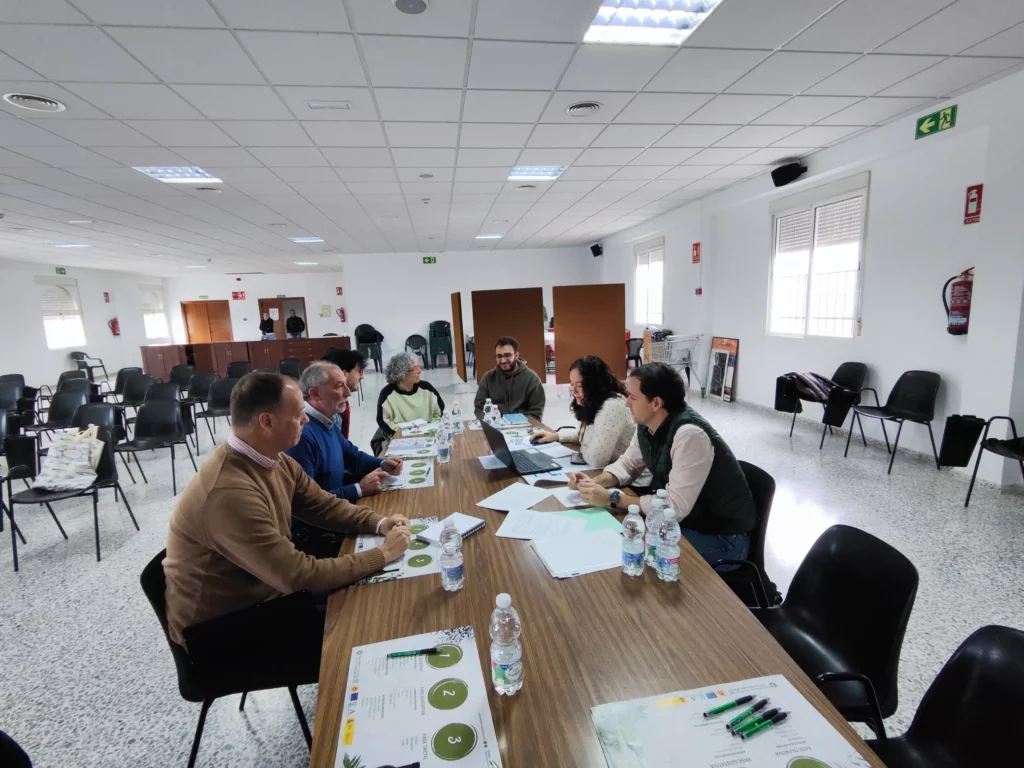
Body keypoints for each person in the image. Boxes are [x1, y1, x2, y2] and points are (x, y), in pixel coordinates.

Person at [163, 372, 411, 658]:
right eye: (297, 414)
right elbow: (297, 576)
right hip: (221, 633)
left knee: (373, 600)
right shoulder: (228, 493)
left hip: (264, 593)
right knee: (369, 623)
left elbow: (324, 505)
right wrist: (383, 554)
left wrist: (379, 522)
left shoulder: (273, 458)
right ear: (267, 422)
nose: (305, 419)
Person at [567, 362, 755, 564]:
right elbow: (628, 464)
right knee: (623, 541)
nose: (627, 403)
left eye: (632, 397)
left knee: (632, 553)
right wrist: (595, 483)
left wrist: (612, 499)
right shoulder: (647, 424)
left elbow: (675, 507)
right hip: (685, 522)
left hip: (723, 537)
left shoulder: (689, 436)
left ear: (655, 403)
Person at [287, 361, 402, 502]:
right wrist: (359, 489)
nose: (348, 393)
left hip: (340, 504)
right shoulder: (301, 435)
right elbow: (307, 501)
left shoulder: (328, 419)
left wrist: (382, 463)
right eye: (339, 386)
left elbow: (351, 456)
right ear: (315, 394)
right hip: (329, 513)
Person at [530, 356, 634, 467]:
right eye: (571, 384)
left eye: (579, 385)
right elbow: (582, 435)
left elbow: (597, 460)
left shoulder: (612, 406)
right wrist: (555, 436)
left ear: (595, 385)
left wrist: (584, 446)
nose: (573, 391)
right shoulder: (593, 401)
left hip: (628, 476)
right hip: (610, 470)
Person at [474, 336, 545, 420]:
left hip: (524, 425)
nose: (503, 360)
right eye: (499, 356)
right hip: (494, 424)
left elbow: (536, 413)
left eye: (507, 355)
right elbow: (479, 408)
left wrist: (515, 424)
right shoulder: (488, 378)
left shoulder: (532, 379)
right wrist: (490, 422)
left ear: (516, 355)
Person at [377, 351, 445, 438]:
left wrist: (430, 430)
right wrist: (404, 434)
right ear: (402, 373)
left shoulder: (427, 388)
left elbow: (439, 412)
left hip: (428, 435)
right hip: (401, 438)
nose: (419, 371)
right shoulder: (387, 394)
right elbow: (384, 421)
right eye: (415, 368)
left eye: (419, 367)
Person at [323, 347, 367, 439]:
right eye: (359, 371)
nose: (361, 376)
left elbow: (342, 442)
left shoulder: (342, 403)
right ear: (343, 373)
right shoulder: (329, 408)